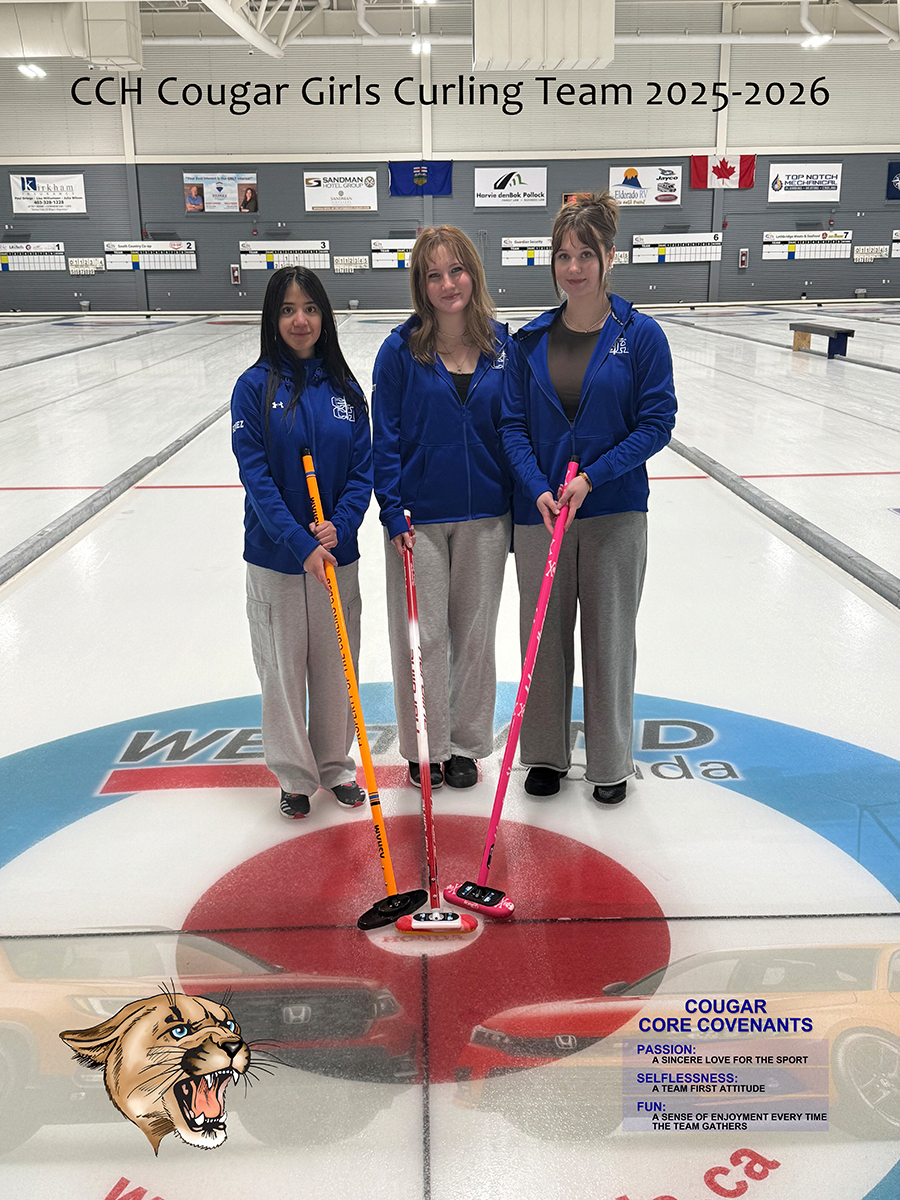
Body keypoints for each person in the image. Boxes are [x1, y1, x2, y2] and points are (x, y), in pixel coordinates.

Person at [500, 192, 676, 805]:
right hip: (543, 515)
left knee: (609, 639)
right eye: (563, 256)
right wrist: (538, 488)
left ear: (609, 258)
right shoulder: (529, 341)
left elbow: (657, 422)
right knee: (542, 640)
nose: (573, 268)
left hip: (613, 512)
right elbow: (512, 426)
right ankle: (544, 755)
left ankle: (609, 761)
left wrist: (593, 476)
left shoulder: (641, 335)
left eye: (585, 255)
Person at [372, 226, 512, 791]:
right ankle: (425, 745)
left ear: (473, 273)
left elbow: (516, 429)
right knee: (421, 637)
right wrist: (392, 509)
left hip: (487, 516)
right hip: (418, 519)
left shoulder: (503, 347)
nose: (448, 283)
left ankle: (467, 745)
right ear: (420, 285)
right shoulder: (399, 350)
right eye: (434, 275)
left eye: (456, 270)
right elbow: (384, 437)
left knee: (475, 636)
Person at [230, 267, 372, 818]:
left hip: (336, 555)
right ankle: (294, 775)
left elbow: (362, 470)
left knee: (337, 668)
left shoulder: (345, 390)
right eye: (288, 309)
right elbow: (256, 476)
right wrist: (298, 541)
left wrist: (342, 524)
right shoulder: (253, 388)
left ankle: (335, 765)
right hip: (277, 559)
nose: (300, 320)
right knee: (283, 671)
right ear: (272, 317)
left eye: (310, 308)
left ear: (324, 316)